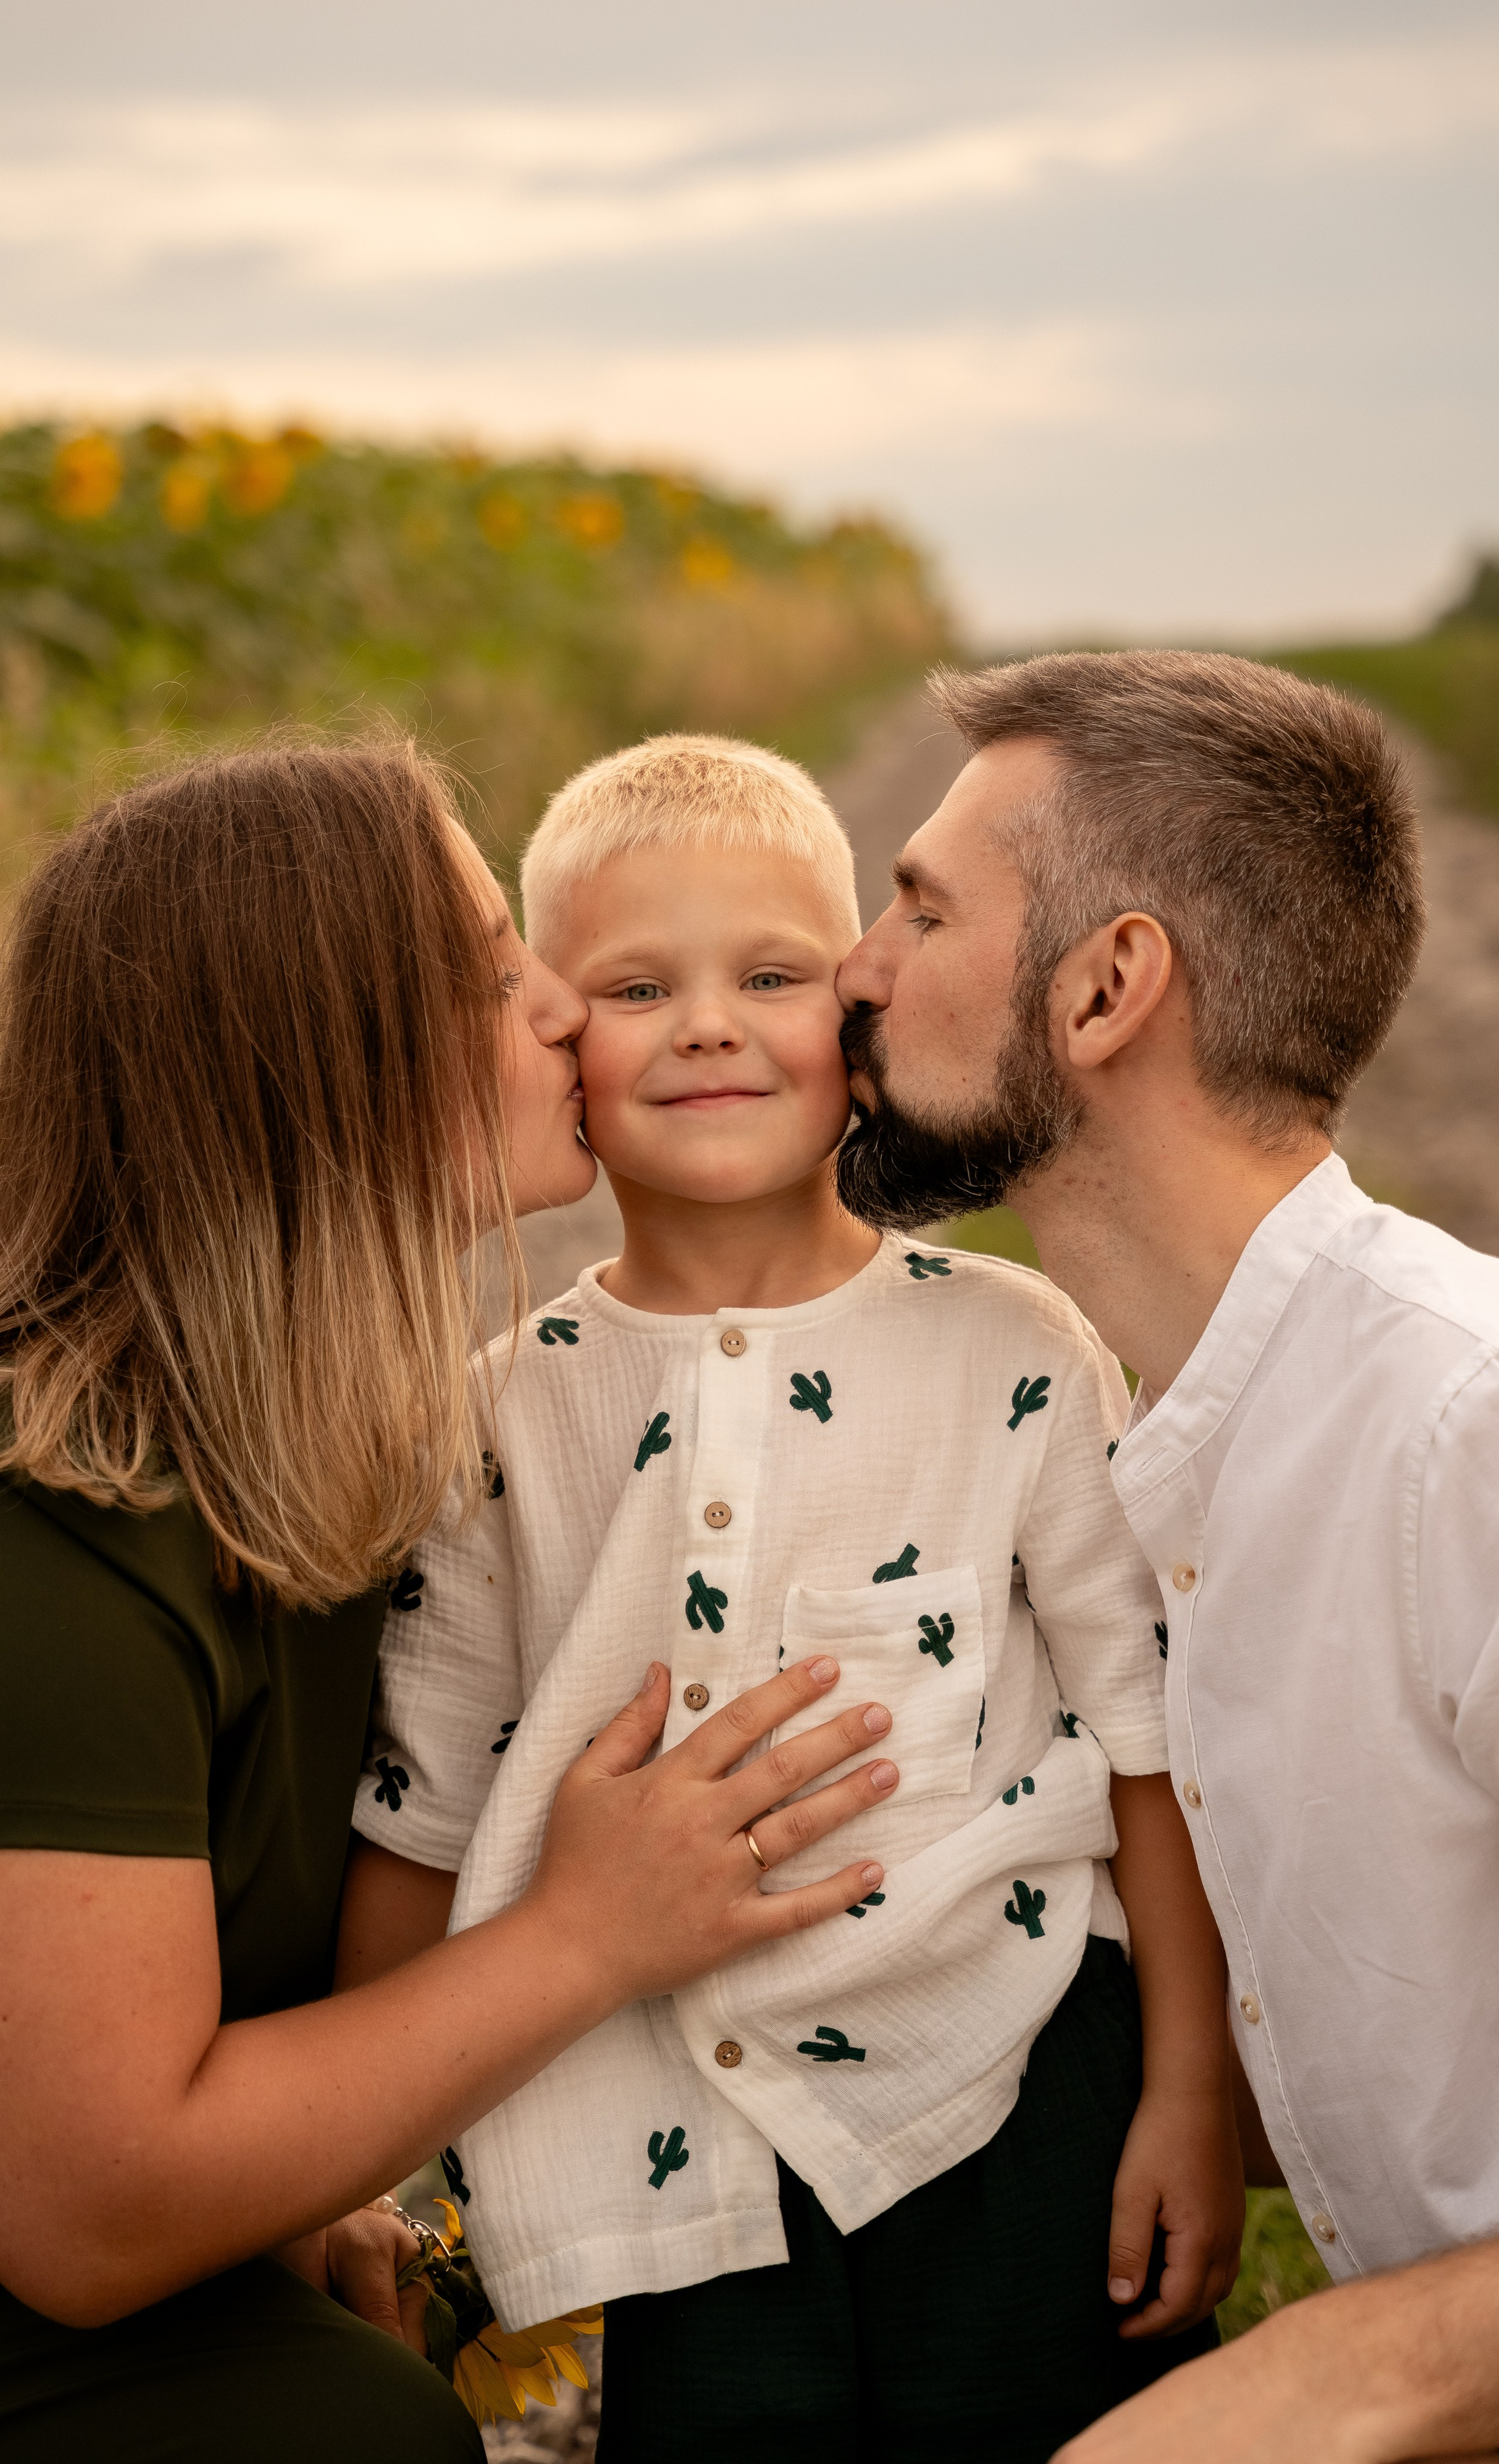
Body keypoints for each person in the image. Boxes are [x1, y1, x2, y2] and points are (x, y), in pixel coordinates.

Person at [0, 736, 894, 2462]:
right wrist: (585, 1934)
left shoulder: (328, 1442)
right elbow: (91, 2210)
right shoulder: (5, 1523)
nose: (568, 1011)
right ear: (320, 1071)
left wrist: (298, 2183)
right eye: (498, 977)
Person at [350, 733, 1242, 2464]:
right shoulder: (494, 1411)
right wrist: (375, 2182)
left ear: (857, 1040)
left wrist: (1190, 2088)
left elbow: (1151, 1746)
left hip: (1010, 2073)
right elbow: (424, 1806)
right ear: (561, 1052)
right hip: (669, 2133)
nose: (703, 1022)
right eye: (634, 984)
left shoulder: (1016, 1351)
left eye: (766, 974)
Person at [835, 648, 1499, 2463]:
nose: (855, 970)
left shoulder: (1465, 1430)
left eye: (917, 906)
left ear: (1112, 983)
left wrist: (1296, 2396)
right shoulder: (1140, 1453)